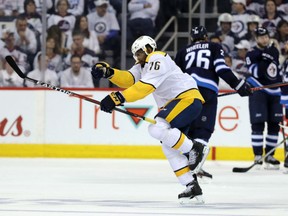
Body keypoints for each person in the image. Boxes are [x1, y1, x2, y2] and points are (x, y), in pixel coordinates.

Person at [91, 35, 210, 204]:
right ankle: (192, 187)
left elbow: (143, 88)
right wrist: (109, 72)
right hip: (178, 103)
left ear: (148, 48)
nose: (137, 57)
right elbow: (129, 79)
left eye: (139, 53)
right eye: (135, 55)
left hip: (186, 99)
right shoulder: (143, 65)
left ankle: (195, 148)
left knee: (157, 129)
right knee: (169, 147)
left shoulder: (157, 58)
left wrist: (117, 98)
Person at [174, 26, 252, 175]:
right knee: (203, 130)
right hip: (206, 91)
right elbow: (221, 69)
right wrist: (239, 85)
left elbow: (174, 76)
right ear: (206, 37)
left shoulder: (183, 51)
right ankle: (194, 167)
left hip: (186, 92)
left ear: (191, 38)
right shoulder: (214, 46)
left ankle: (187, 167)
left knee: (187, 131)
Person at [245, 27, 282, 169]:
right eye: (261, 37)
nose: (264, 39)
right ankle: (258, 156)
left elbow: (275, 71)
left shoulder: (274, 51)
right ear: (256, 39)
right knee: (258, 124)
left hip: (275, 91)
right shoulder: (251, 53)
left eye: (266, 36)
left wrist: (269, 55)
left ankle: (270, 155)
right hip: (258, 90)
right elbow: (256, 72)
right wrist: (266, 56)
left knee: (274, 125)